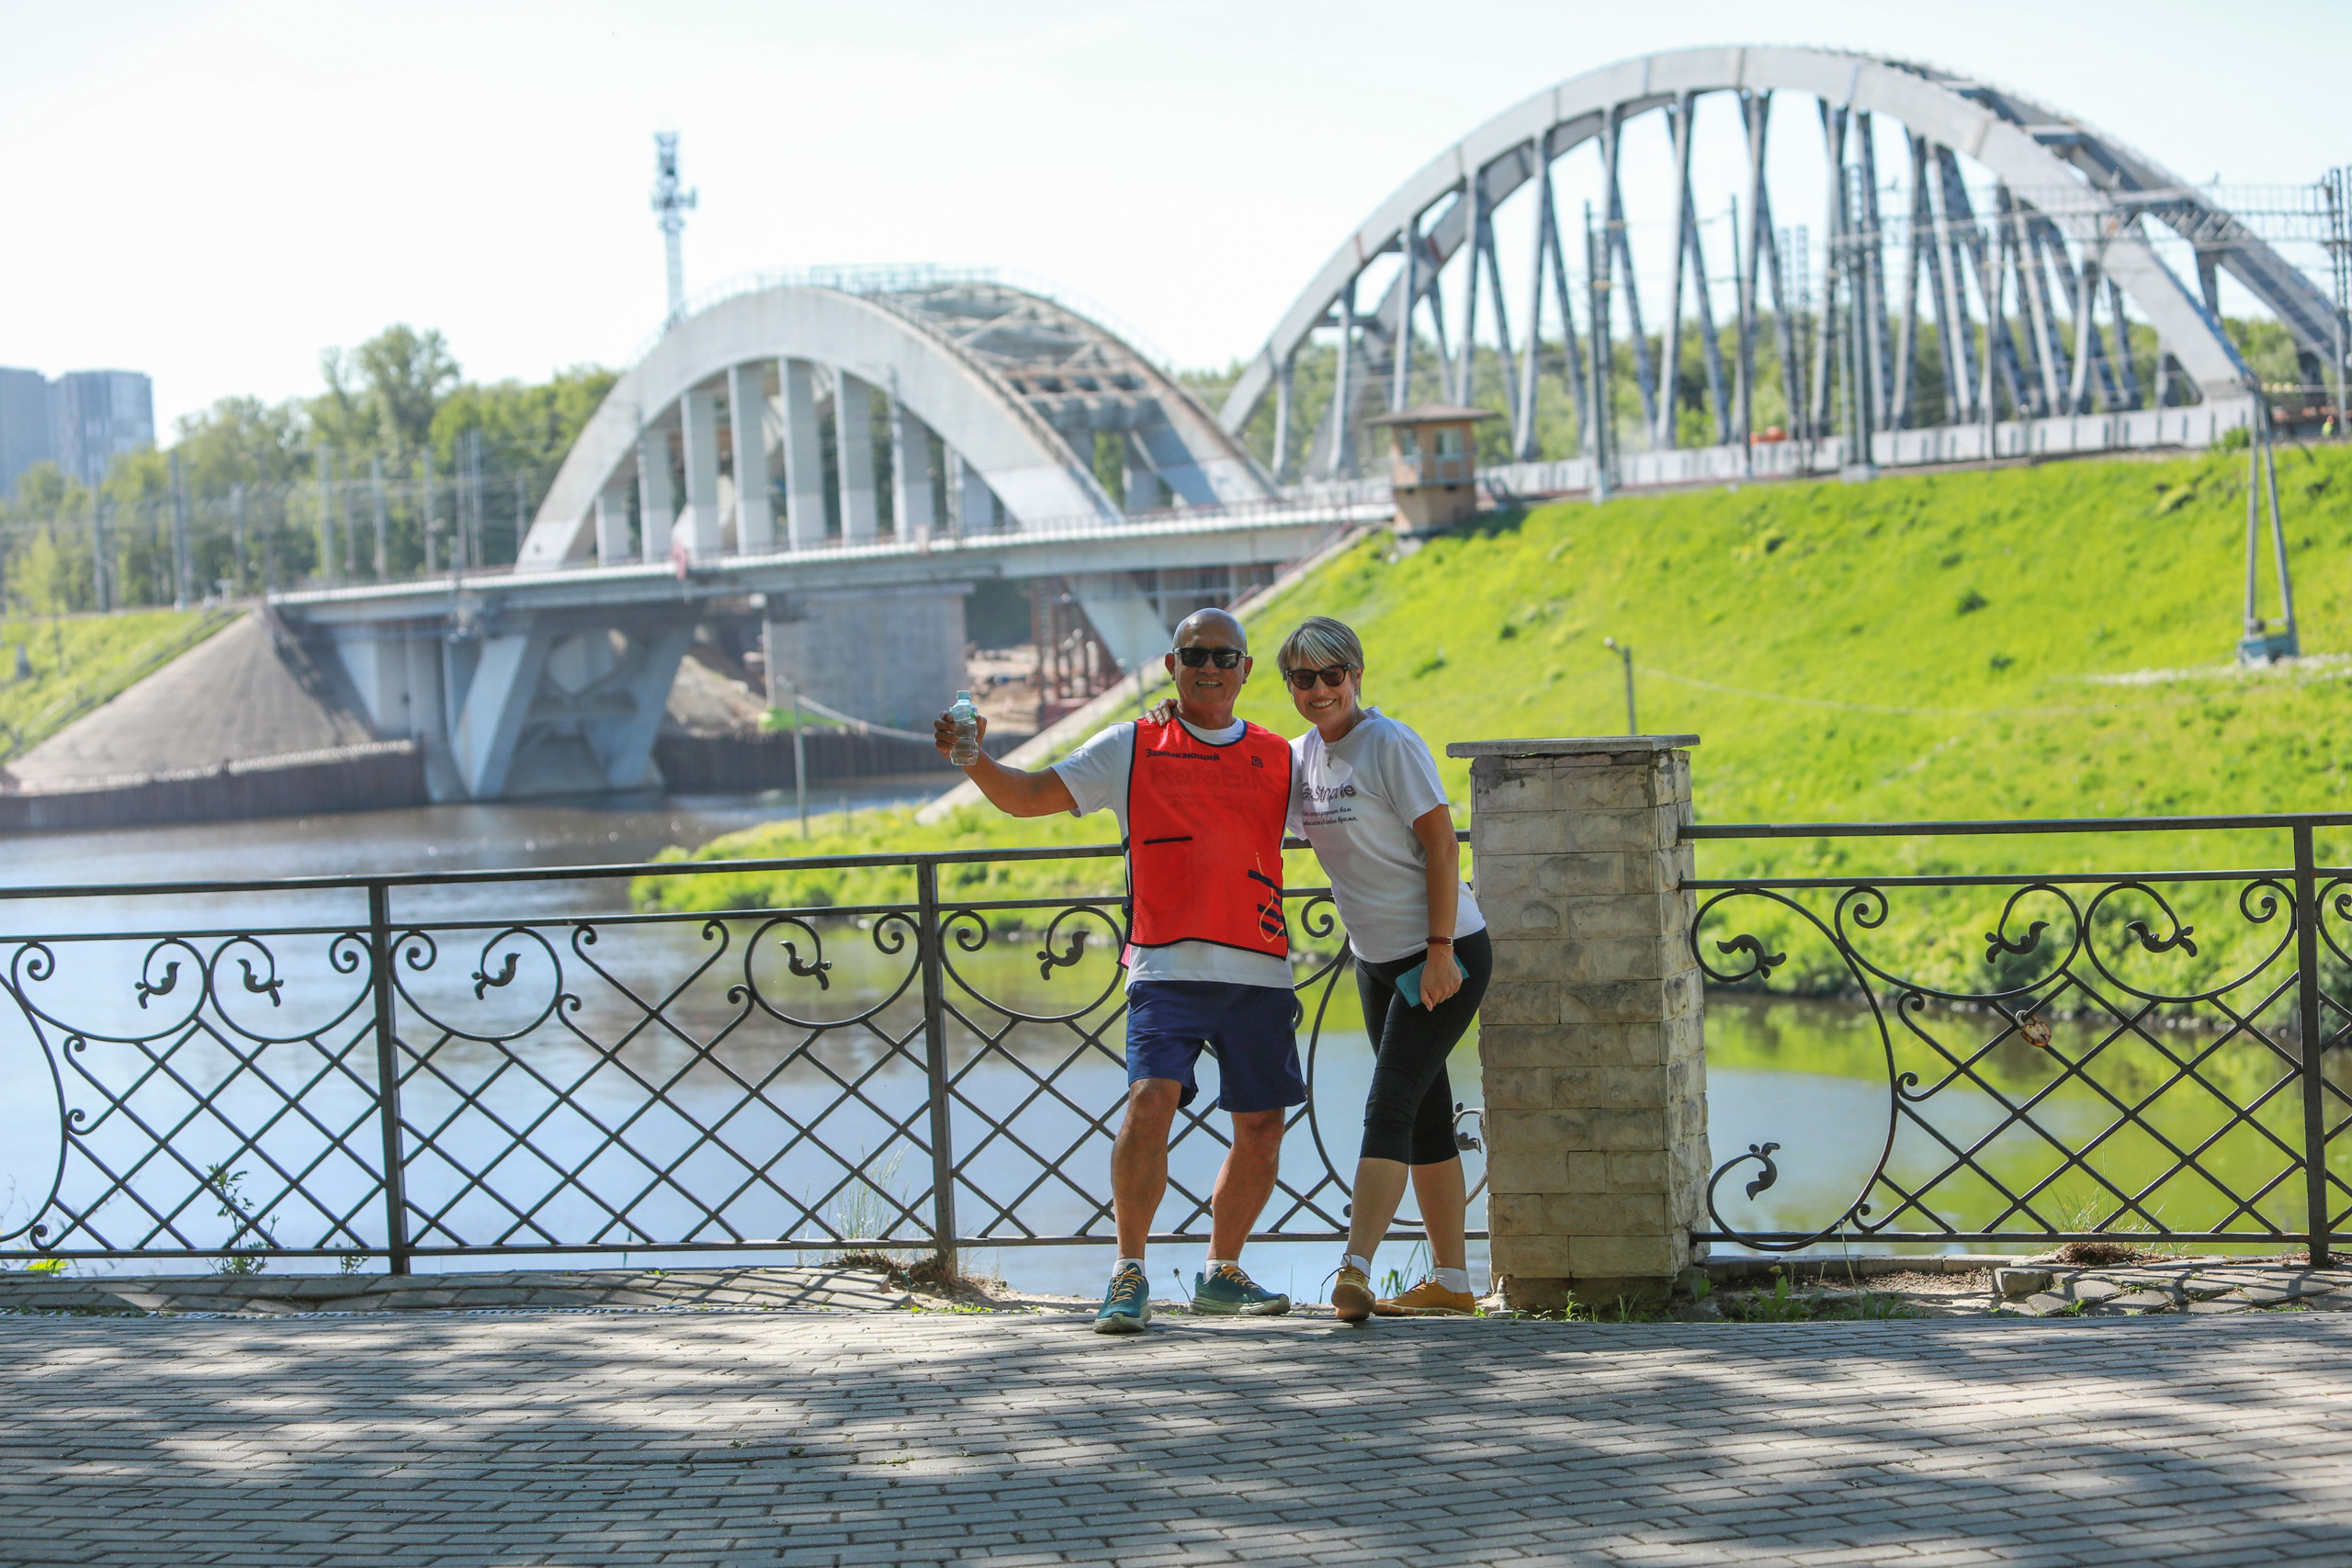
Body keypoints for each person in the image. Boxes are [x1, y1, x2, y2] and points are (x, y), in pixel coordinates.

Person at [933, 607, 1302, 1334]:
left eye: (1225, 657)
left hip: (1260, 970)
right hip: (1164, 965)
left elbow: (1354, 804)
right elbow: (1030, 796)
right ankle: (1128, 1271)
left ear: (1246, 670)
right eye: (1195, 653)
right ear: (1171, 664)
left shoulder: (1282, 755)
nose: (1210, 667)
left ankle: (1221, 1272)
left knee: (1261, 1126)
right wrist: (972, 758)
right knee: (1148, 1103)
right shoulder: (1131, 745)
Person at [1281, 615, 1490, 1322]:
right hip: (1375, 961)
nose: (1319, 690)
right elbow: (1237, 780)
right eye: (1303, 678)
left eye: (1332, 674)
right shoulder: (1301, 757)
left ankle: (1355, 1268)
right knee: (1426, 1118)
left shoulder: (1388, 743)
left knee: (1389, 1104)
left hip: (1444, 951)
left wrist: (1438, 951)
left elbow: (1442, 846)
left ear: (1357, 674)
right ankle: (1454, 1283)